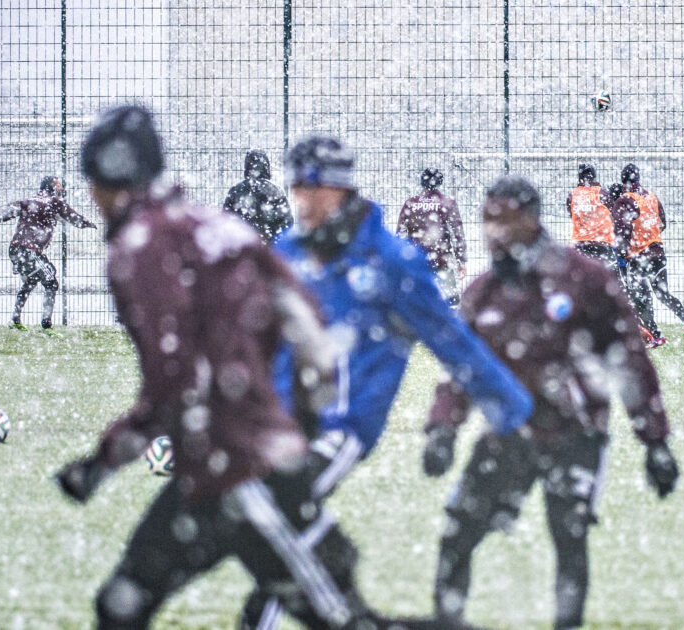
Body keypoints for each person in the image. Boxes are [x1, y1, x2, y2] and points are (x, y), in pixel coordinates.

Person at [54, 106, 423, 630]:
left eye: (92, 181)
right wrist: (295, 423)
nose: (90, 195)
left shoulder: (137, 249)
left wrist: (104, 461)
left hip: (241, 474)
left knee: (342, 622)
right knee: (123, 604)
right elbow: (308, 325)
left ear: (109, 181)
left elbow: (175, 381)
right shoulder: (215, 225)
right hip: (232, 466)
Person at [239, 135, 533, 630]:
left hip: (343, 427)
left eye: (313, 187)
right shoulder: (288, 253)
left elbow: (455, 344)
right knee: (272, 526)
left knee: (275, 513)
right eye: (296, 187)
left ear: (341, 188)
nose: (302, 199)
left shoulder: (393, 262)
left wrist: (514, 411)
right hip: (280, 422)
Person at [422, 175, 680, 630]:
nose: (492, 231)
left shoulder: (584, 280)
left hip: (575, 435)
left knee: (570, 539)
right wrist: (443, 428)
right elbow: (461, 370)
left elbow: (632, 363)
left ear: (532, 220)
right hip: (509, 436)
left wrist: (654, 441)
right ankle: (448, 621)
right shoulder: (484, 292)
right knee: (457, 533)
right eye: (486, 221)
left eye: (503, 220)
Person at [0, 175, 96, 336]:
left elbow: (3, 212)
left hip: (15, 249)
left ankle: (15, 320)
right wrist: (87, 223)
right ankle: (46, 326)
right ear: (52, 188)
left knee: (32, 280)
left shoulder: (27, 201)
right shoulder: (54, 202)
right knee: (51, 282)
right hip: (28, 250)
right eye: (59, 185)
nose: (61, 188)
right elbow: (72, 217)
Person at [611, 163, 684, 349]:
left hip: (637, 257)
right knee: (663, 293)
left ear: (623, 180)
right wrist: (650, 237)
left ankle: (654, 334)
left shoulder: (624, 201)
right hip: (657, 252)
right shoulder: (651, 196)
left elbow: (621, 234)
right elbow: (662, 223)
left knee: (639, 297)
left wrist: (622, 258)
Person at [395, 167, 467, 306]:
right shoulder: (446, 202)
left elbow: (400, 233)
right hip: (441, 258)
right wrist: (460, 260)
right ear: (439, 182)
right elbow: (457, 234)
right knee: (450, 302)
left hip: (416, 259)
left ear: (422, 182)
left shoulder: (411, 203)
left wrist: (402, 257)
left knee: (415, 301)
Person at [223, 148, 294, 244]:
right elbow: (287, 222)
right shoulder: (275, 191)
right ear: (267, 167)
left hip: (243, 245)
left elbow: (226, 220)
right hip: (270, 247)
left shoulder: (236, 191)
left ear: (247, 167)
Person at [566, 163, 617, 272]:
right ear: (593, 176)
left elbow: (572, 215)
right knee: (605, 279)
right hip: (602, 243)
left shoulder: (572, 195)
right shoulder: (603, 194)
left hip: (580, 244)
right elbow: (613, 215)